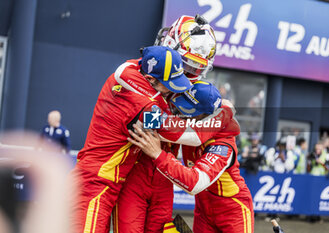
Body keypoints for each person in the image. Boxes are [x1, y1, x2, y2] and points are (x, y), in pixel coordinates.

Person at [114, 15, 238, 233]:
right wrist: (221, 116)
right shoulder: (141, 74)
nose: (188, 76)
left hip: (163, 181)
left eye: (196, 70)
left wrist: (221, 112)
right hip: (134, 174)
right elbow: (147, 122)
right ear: (169, 47)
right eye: (185, 65)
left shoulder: (195, 93)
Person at [71, 45, 194, 233]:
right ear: (151, 79)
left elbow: (129, 66)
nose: (169, 92)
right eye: (168, 85)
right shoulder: (143, 105)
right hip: (95, 184)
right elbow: (185, 134)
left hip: (103, 182)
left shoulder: (131, 73)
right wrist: (220, 120)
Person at [128, 82, 254, 233]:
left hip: (232, 210)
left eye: (189, 110)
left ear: (206, 116)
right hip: (203, 209)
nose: (181, 114)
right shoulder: (192, 127)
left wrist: (158, 155)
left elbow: (195, 183)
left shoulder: (223, 146)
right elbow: (148, 123)